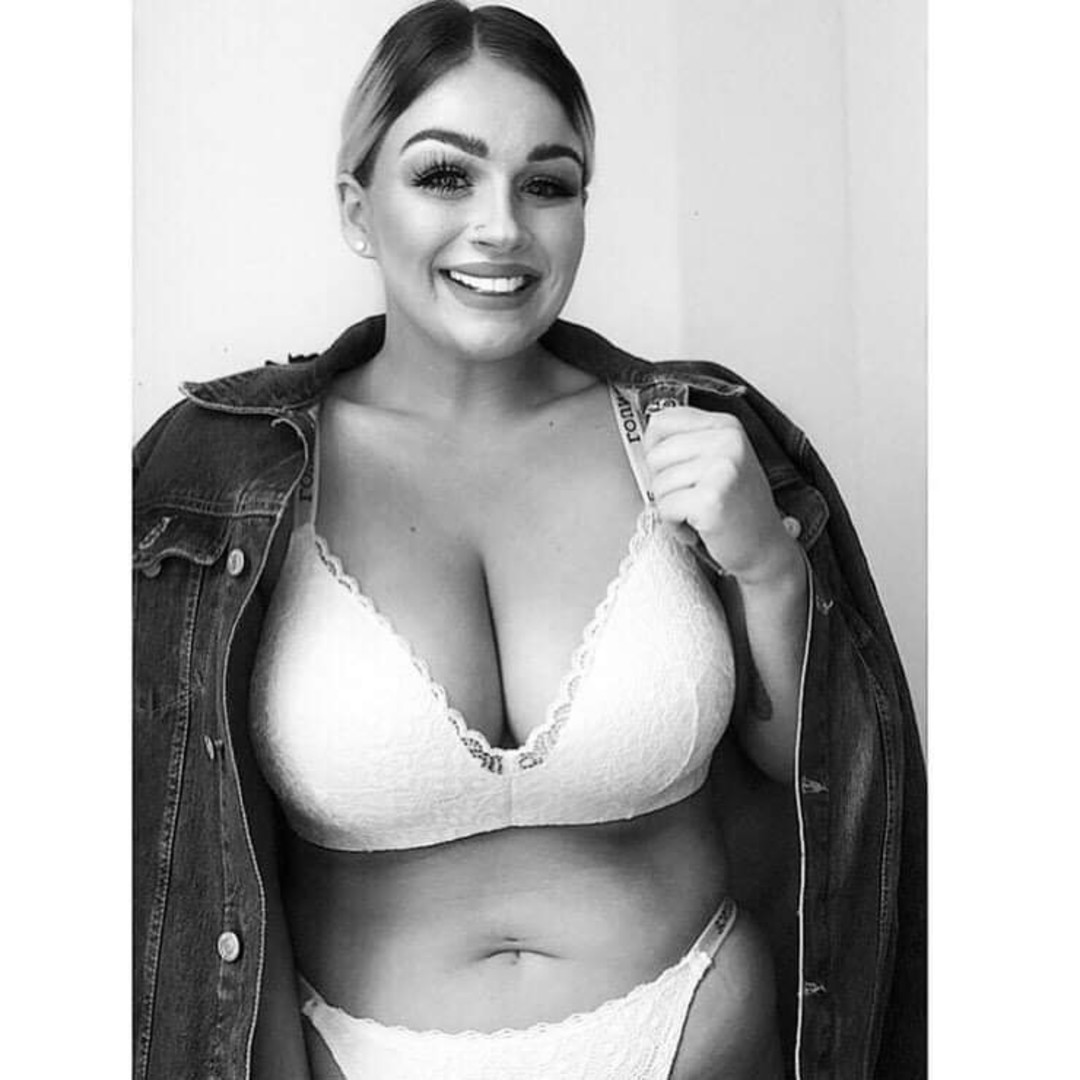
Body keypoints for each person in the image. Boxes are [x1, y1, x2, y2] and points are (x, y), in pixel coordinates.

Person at [132, 3, 925, 1078]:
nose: (501, 227)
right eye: (445, 176)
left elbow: (820, 778)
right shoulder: (215, 476)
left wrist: (769, 564)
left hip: (698, 1037)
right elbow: (155, 836)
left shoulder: (696, 437)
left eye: (546, 184)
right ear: (358, 208)